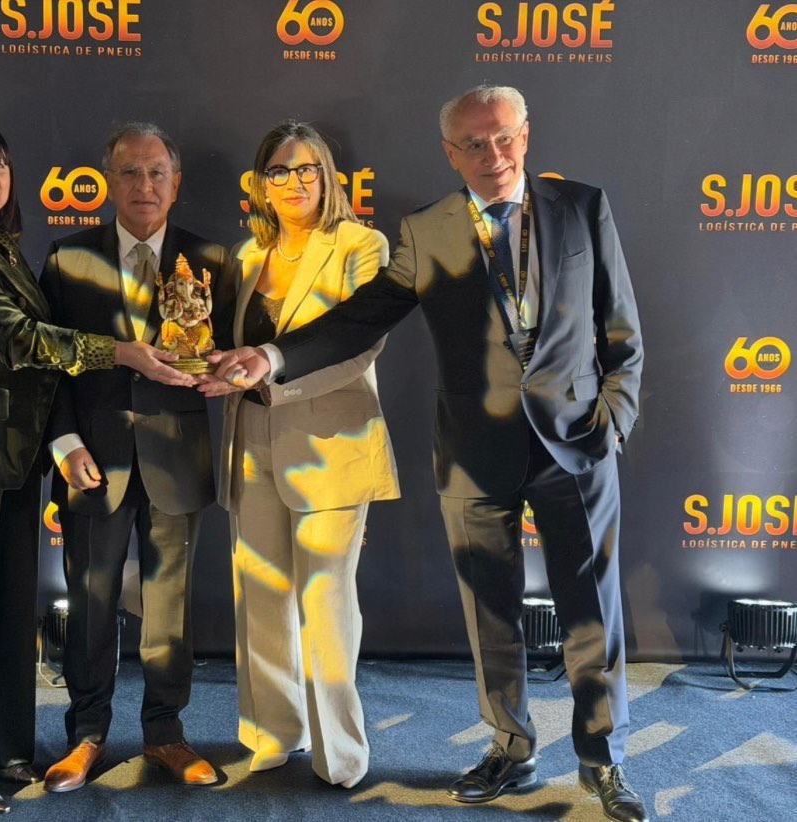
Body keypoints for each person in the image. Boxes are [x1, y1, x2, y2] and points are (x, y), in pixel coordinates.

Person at [209, 86, 647, 822]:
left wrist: (614, 423)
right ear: (450, 154)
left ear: (525, 135)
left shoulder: (582, 207)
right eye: (473, 144)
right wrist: (272, 356)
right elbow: (358, 321)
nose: (492, 155)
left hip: (576, 444)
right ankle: (510, 747)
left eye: (503, 138)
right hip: (473, 452)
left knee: (592, 613)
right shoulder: (425, 230)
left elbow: (621, 328)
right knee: (489, 613)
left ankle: (603, 761)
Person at [0, 119, 190, 814]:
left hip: (12, 458)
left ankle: (4, 752)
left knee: (3, 616)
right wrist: (120, 353)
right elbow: (13, 336)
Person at [39, 122, 236, 791]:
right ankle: (86, 734)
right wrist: (65, 445)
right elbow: (47, 364)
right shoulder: (68, 258)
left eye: (157, 173)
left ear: (176, 184)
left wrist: (227, 369)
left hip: (177, 459)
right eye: (129, 171)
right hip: (93, 462)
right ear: (108, 182)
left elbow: (235, 351)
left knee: (169, 609)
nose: (143, 185)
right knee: (90, 604)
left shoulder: (212, 259)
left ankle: (165, 734)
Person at [202, 121, 399, 788]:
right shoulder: (245, 254)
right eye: (279, 171)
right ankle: (273, 734)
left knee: (326, 605)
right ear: (260, 183)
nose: (294, 182)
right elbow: (230, 346)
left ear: (328, 176)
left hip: (329, 445)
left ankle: (340, 753)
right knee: (260, 596)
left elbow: (357, 346)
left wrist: (268, 378)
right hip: (249, 441)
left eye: (307, 168)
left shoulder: (361, 246)